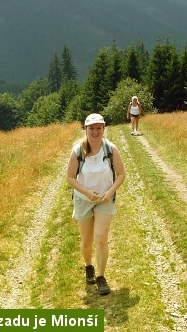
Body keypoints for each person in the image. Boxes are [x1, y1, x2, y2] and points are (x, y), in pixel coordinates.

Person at [66, 113, 126, 295]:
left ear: (103, 129)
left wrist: (109, 193)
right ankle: (88, 267)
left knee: (101, 238)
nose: (95, 132)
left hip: (104, 200)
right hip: (83, 200)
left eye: (99, 128)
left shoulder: (111, 149)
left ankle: (100, 277)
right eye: (91, 128)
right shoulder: (78, 151)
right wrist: (86, 193)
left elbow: (121, 175)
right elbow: (70, 177)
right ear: (86, 129)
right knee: (86, 241)